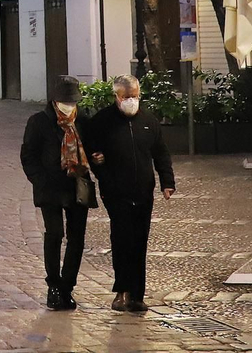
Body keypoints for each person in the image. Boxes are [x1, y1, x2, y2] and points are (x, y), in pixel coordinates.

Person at [87, 74, 176, 313]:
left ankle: (137, 294)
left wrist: (167, 182)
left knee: (139, 241)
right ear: (116, 96)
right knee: (122, 239)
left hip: (143, 191)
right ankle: (122, 291)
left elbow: (161, 153)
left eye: (135, 96)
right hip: (116, 192)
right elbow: (92, 153)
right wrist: (103, 172)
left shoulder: (149, 120)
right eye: (127, 97)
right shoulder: (103, 121)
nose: (131, 101)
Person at [19, 75, 94, 311]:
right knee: (54, 234)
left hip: (77, 185)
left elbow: (92, 149)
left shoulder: (83, 120)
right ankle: (53, 285)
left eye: (73, 102)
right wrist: (39, 180)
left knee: (77, 239)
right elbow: (28, 155)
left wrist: (95, 159)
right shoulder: (39, 122)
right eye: (66, 101)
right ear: (54, 100)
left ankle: (67, 287)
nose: (69, 106)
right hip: (50, 187)